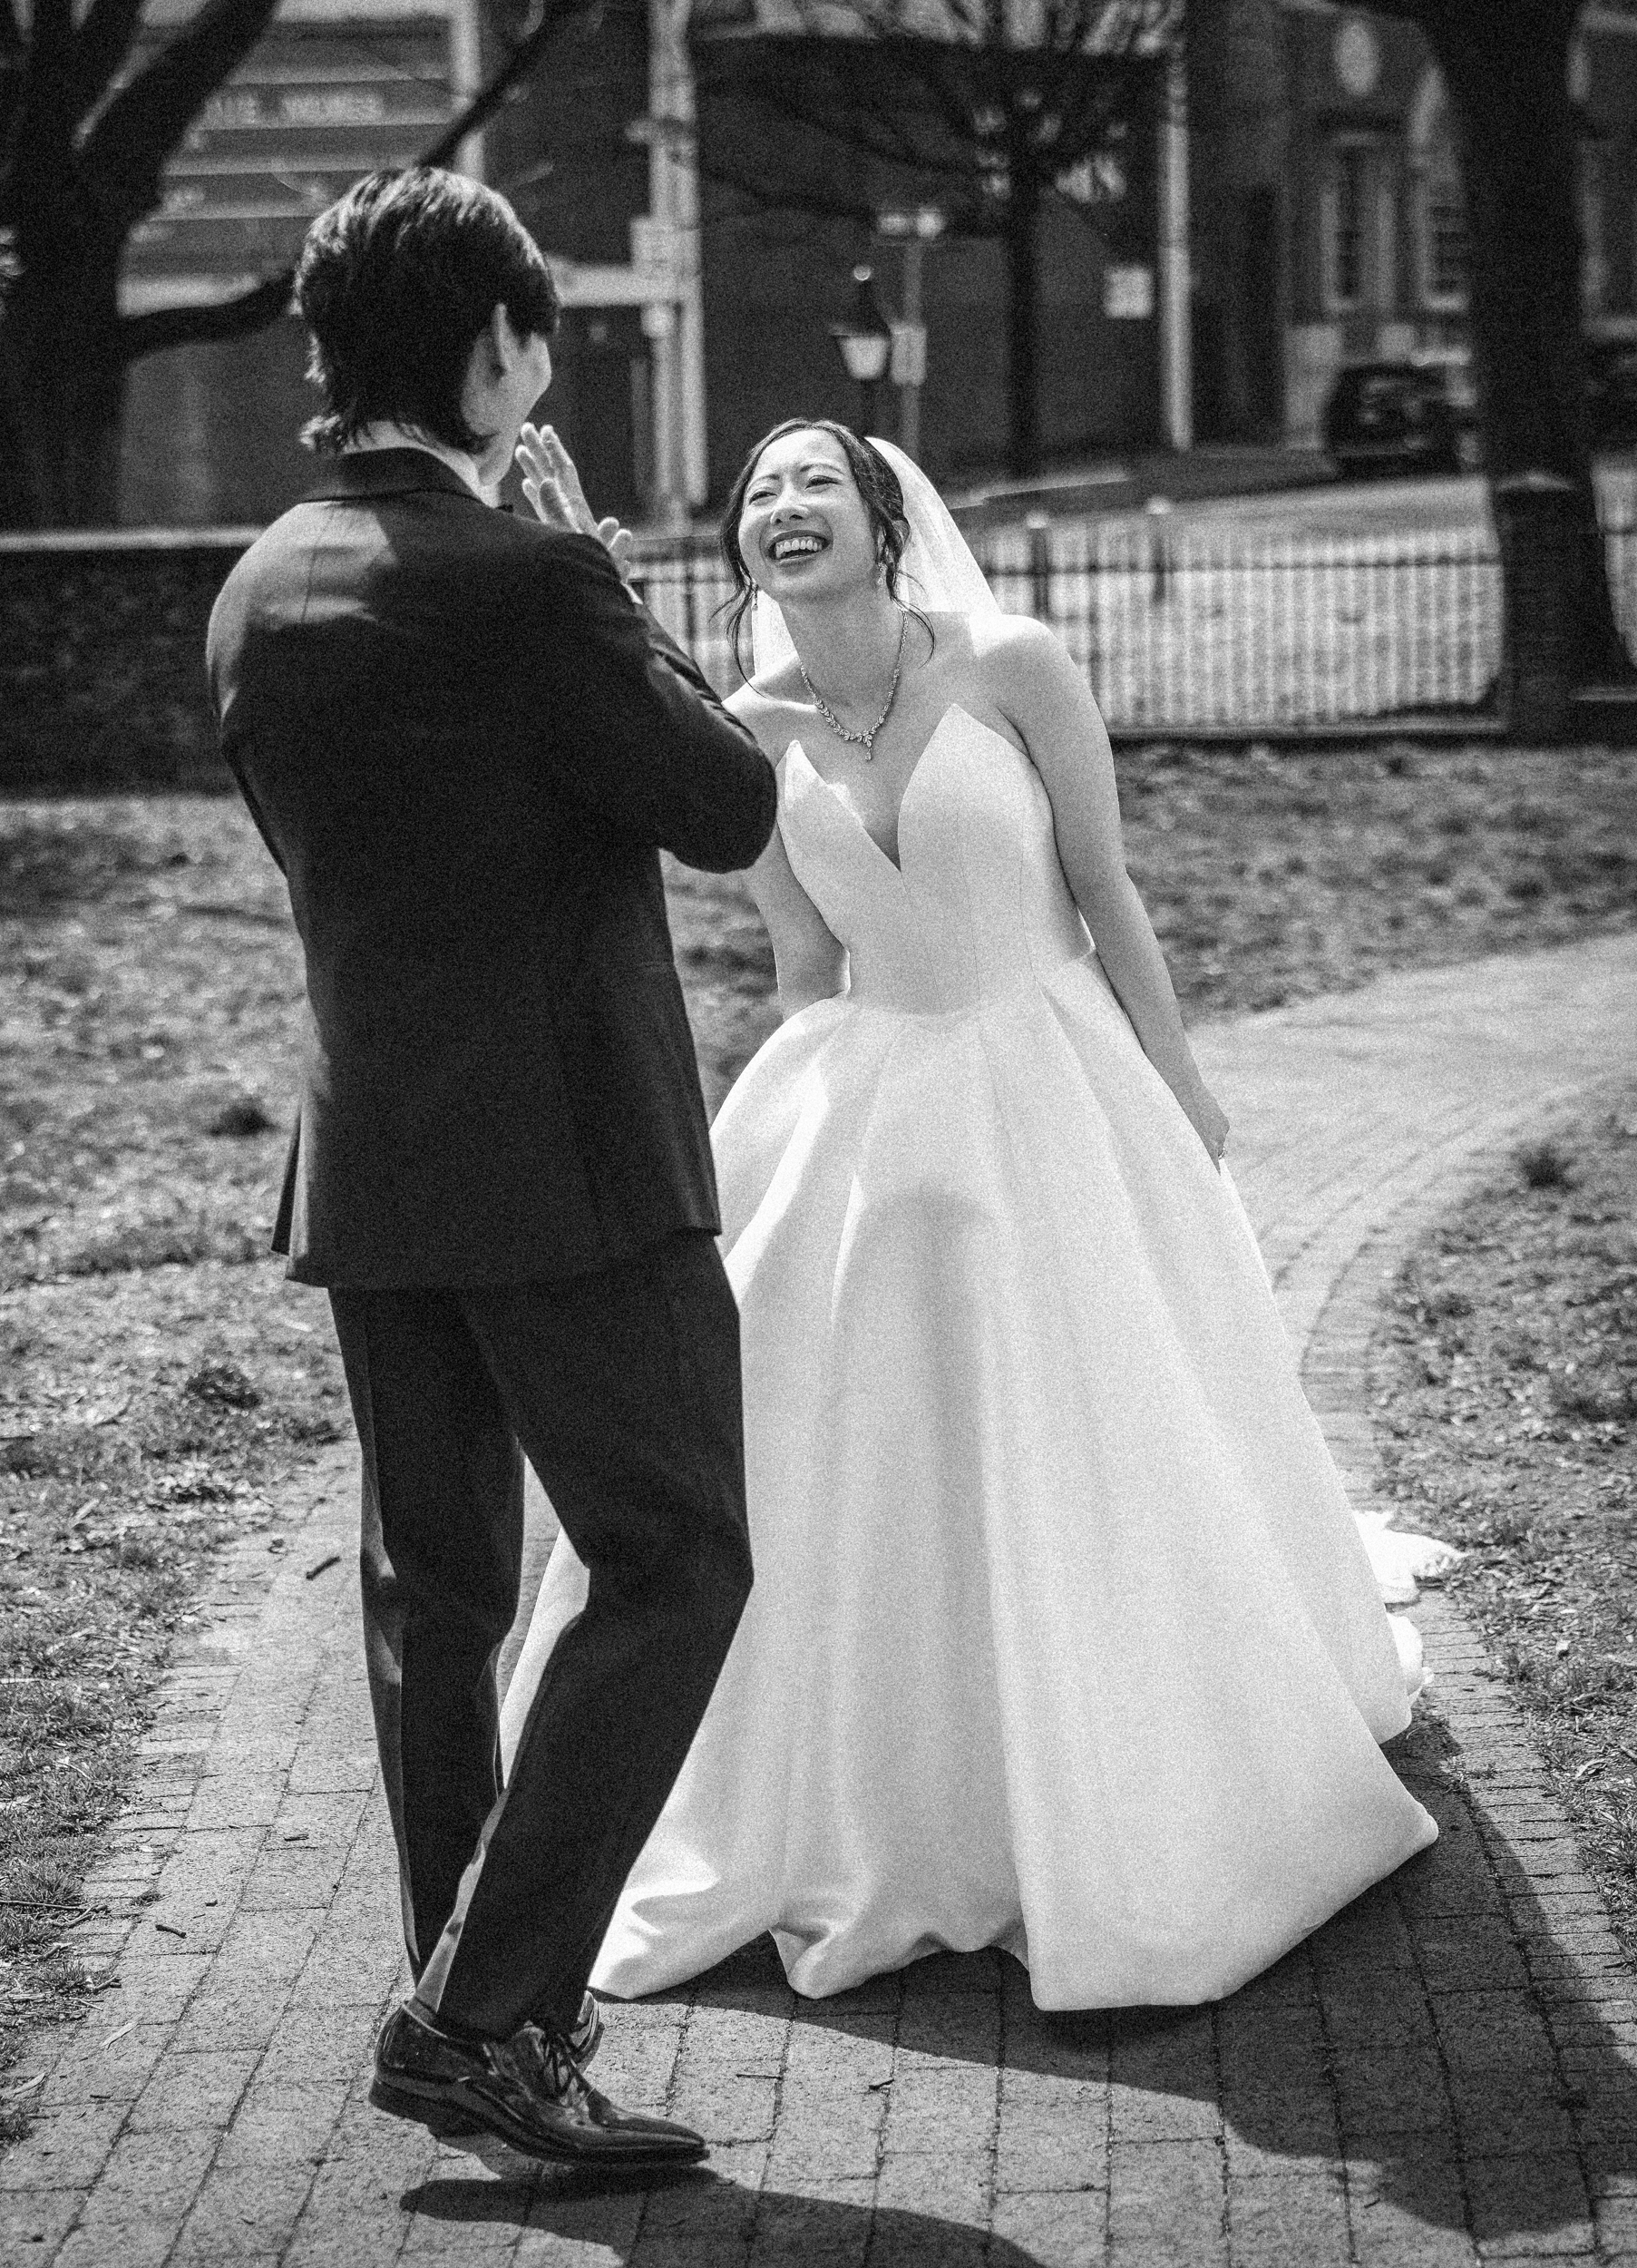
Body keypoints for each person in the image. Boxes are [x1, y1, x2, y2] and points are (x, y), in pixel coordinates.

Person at [503, 419, 1452, 2011]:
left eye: (816, 483)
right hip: (872, 1089)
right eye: (756, 495)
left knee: (1100, 1416)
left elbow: (1106, 886)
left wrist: (1180, 1082)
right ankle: (892, 1786)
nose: (782, 506)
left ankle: (1131, 1750)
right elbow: (805, 962)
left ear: (887, 523)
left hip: (1053, 1074)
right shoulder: (745, 727)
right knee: (852, 1445)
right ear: (740, 551)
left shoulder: (1013, 665)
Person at [204, 168, 776, 2165]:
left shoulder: (259, 580)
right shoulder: (530, 576)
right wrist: (595, 577)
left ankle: (483, 2021)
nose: (540, 373)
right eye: (531, 343)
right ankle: (482, 2008)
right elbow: (723, 803)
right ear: (489, 353)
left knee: (433, 1595)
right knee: (679, 1551)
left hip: (377, 1157)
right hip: (572, 1164)